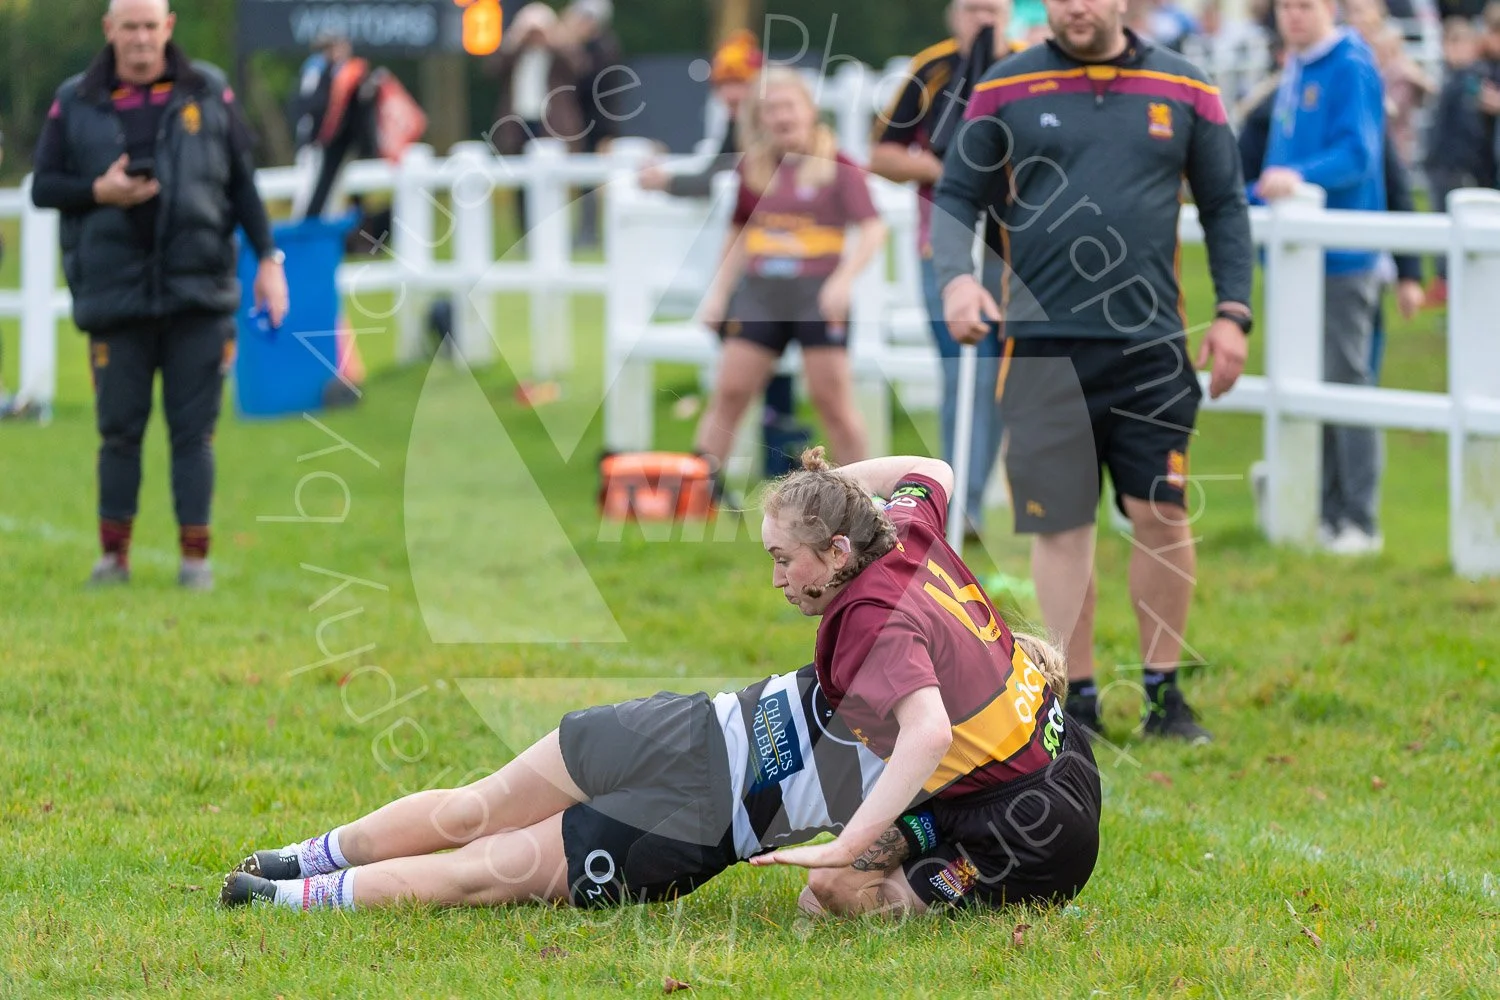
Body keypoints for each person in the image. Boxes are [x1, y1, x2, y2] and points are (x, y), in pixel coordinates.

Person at [931, 0, 1255, 742]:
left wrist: (1233, 312)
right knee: (1062, 526)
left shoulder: (1187, 87)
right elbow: (955, 196)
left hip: (1150, 347)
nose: (1076, 7)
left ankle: (1162, 695)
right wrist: (956, 277)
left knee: (1161, 514)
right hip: (1041, 346)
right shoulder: (1005, 87)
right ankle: (1073, 700)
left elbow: (1226, 205)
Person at [220, 633, 1072, 911]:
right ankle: (300, 874)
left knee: (482, 842)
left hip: (689, 779)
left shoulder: (922, 683)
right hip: (688, 767)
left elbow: (848, 882)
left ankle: (296, 879)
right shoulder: (922, 685)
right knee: (482, 837)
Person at [749, 450, 1099, 915]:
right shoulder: (898, 527)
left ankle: (994, 875)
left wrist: (847, 845)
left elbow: (929, 732)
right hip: (1056, 751)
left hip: (1026, 827)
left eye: (783, 559)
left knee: (831, 894)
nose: (777, 580)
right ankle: (934, 833)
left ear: (837, 552)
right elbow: (935, 471)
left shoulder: (871, 619)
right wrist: (822, 496)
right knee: (824, 887)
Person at [31, 0, 288, 591]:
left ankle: (194, 559)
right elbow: (44, 187)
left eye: (151, 26)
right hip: (115, 298)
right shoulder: (74, 100)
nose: (142, 39)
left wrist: (269, 261)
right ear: (110, 31)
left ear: (168, 27)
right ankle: (112, 558)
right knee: (118, 432)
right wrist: (99, 190)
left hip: (198, 292)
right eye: (130, 28)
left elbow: (244, 186)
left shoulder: (210, 91)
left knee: (194, 433)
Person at [868, 0, 1022, 540]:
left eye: (993, 8)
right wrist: (948, 171)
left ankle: (971, 502)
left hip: (1011, 252)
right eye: (972, 7)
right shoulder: (930, 69)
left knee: (998, 379)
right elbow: (883, 154)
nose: (983, 18)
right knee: (964, 372)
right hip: (944, 247)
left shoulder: (1030, 66)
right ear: (953, 14)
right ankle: (953, 510)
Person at [693, 69, 887, 483]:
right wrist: (717, 294)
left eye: (788, 106)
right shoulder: (755, 168)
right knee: (730, 392)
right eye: (770, 109)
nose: (781, 117)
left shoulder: (838, 165)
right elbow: (738, 234)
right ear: (759, 118)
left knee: (831, 402)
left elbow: (873, 228)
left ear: (809, 109)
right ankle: (700, 492)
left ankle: (864, 498)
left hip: (816, 296)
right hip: (761, 295)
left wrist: (843, 280)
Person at [639, 31, 808, 479]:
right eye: (724, 83)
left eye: (739, 81)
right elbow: (730, 192)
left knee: (774, 376)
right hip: (759, 273)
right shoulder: (738, 124)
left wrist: (668, 182)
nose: (731, 92)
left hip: (793, 274)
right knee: (745, 377)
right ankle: (749, 466)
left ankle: (781, 460)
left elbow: (722, 175)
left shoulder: (762, 126)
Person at [1254, 0, 1388, 555]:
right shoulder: (1298, 64)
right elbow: (1277, 159)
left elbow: (1359, 155)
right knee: (1309, 385)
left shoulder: (1351, 65)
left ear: (1330, 8)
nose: (1293, 15)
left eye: (1305, 5)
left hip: (1342, 257)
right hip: (1298, 258)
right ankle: (1324, 513)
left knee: (1345, 383)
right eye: (1285, 6)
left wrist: (1296, 177)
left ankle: (1358, 520)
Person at [1424, 17, 1491, 303]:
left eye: (1458, 43)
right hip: (1441, 163)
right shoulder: (1454, 77)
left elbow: (1470, 130)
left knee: (1455, 225)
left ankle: (1456, 286)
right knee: (1441, 224)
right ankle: (1447, 284)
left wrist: (1463, 165)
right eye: (1448, 43)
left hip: (1457, 168)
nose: (1452, 50)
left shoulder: (1471, 79)